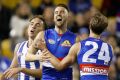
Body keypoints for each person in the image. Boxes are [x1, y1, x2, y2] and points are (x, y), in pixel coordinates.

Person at [40, 13, 113, 80]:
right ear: (104, 30)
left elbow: (59, 66)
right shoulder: (110, 48)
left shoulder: (79, 46)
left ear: (89, 25)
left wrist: (44, 48)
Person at [26, 4, 80, 80]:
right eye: (56, 12)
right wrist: (38, 57)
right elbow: (28, 56)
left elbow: (76, 65)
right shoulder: (43, 34)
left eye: (62, 12)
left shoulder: (75, 39)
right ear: (53, 18)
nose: (58, 14)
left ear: (68, 17)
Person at [1, 15, 45, 80]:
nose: (33, 26)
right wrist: (3, 77)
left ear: (43, 31)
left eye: (37, 25)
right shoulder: (19, 46)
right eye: (31, 24)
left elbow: (42, 73)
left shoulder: (45, 48)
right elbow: (12, 68)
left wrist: (21, 69)